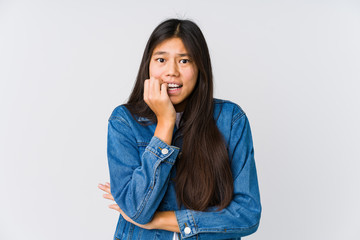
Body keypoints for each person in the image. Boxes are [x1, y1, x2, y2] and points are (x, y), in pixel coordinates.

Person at [98, 18, 261, 240]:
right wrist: (165, 123)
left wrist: (160, 220)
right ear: (148, 64)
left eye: (184, 61)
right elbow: (137, 209)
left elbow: (247, 215)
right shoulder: (125, 121)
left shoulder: (231, 120)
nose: (171, 71)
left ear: (200, 67)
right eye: (161, 59)